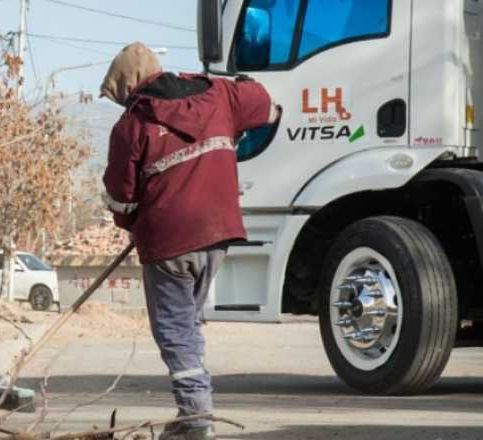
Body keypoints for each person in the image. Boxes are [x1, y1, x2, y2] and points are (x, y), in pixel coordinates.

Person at [100, 42, 280, 440]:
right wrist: (243, 86)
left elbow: (121, 197)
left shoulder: (132, 124)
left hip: (168, 242)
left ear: (128, 85)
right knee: (187, 325)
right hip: (218, 234)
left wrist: (130, 221)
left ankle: (196, 420)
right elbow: (268, 106)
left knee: (175, 331)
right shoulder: (220, 94)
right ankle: (191, 416)